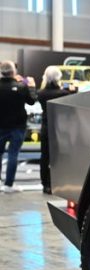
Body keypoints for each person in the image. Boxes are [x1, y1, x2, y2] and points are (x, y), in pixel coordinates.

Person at [36, 65, 75, 194]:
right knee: (59, 158)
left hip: (46, 127)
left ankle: (45, 184)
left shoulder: (41, 93)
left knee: (45, 157)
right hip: (60, 129)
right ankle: (58, 183)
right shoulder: (63, 94)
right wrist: (72, 91)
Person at [0, 60, 37, 193]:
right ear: (13, 72)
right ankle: (9, 185)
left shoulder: (20, 85)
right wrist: (32, 86)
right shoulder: (21, 86)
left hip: (2, 125)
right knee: (13, 154)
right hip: (17, 126)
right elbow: (32, 101)